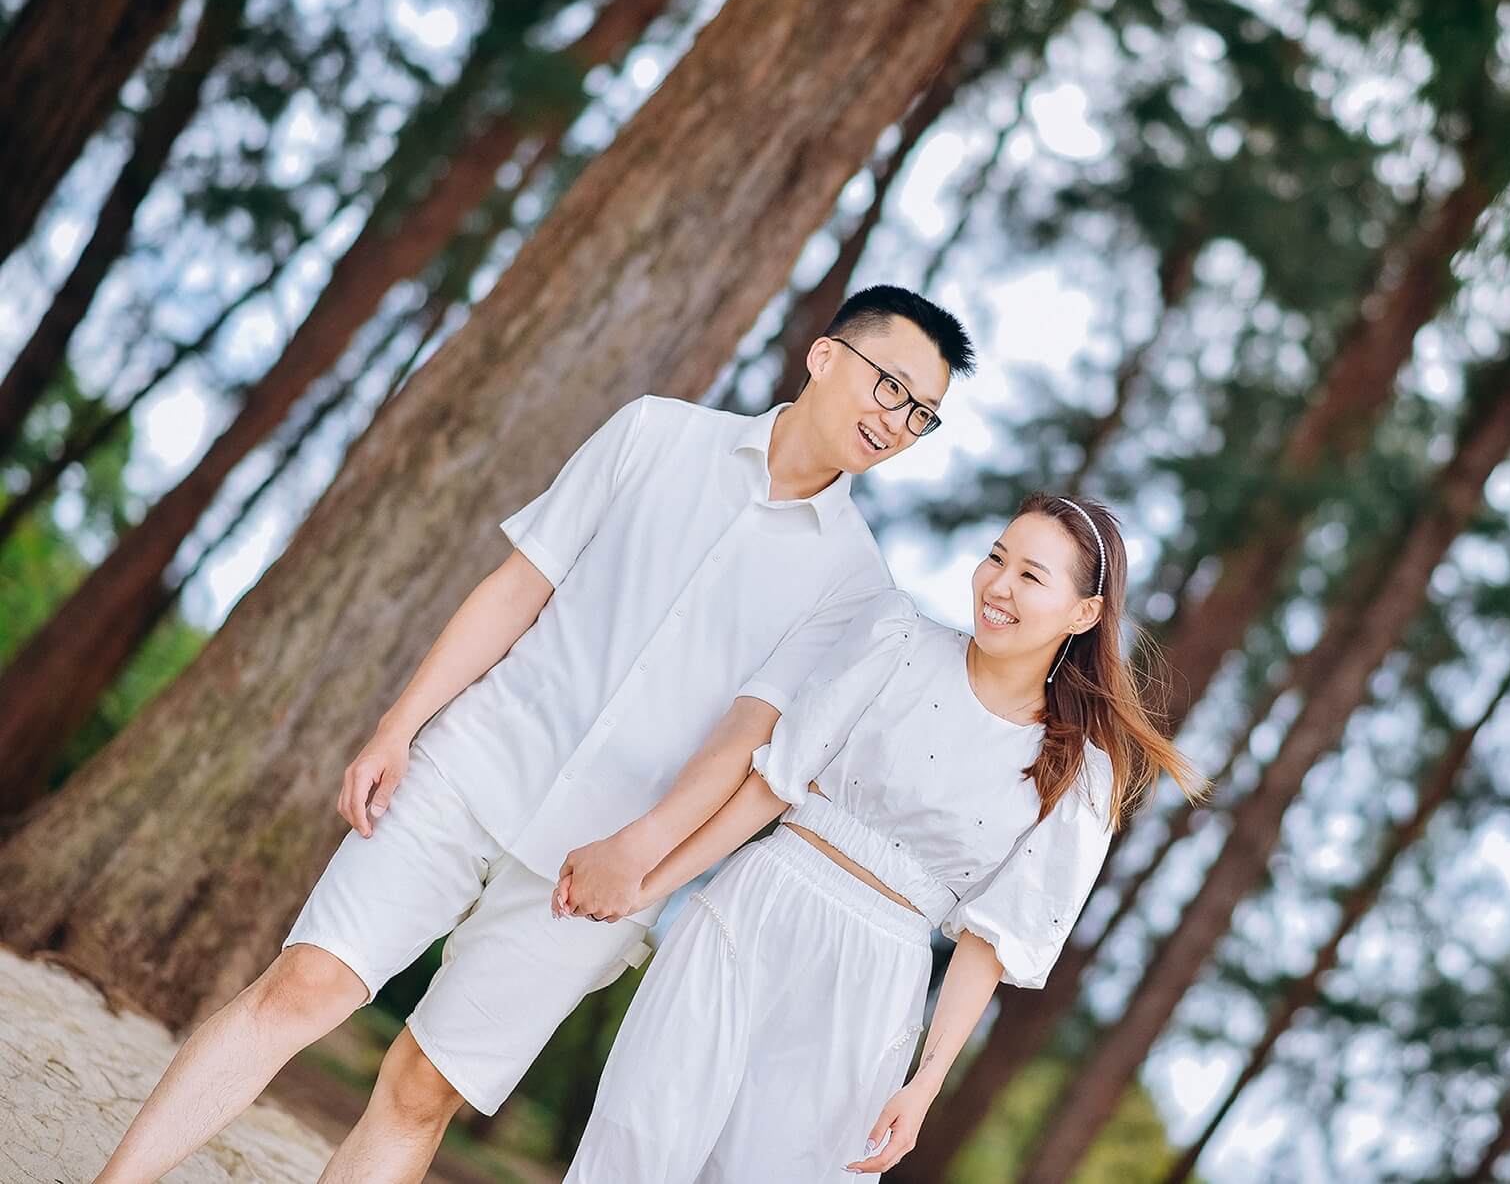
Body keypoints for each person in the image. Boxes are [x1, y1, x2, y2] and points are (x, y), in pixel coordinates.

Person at [92, 287, 974, 1184]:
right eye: (890, 386)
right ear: (826, 357)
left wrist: (636, 853)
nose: (897, 420)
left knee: (420, 1092)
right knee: (303, 988)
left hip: (595, 868)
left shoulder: (857, 586)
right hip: (473, 763)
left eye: (923, 414)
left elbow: (744, 738)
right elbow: (519, 586)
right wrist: (399, 728)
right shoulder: (655, 433)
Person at [555, 492, 1208, 1181]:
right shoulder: (897, 639)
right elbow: (769, 788)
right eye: (996, 558)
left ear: (1084, 614)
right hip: (754, 913)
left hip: (874, 988)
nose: (998, 585)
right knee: (635, 1141)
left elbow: (988, 945)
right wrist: (646, 885)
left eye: (1030, 575)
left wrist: (924, 1087)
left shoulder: (1078, 774)